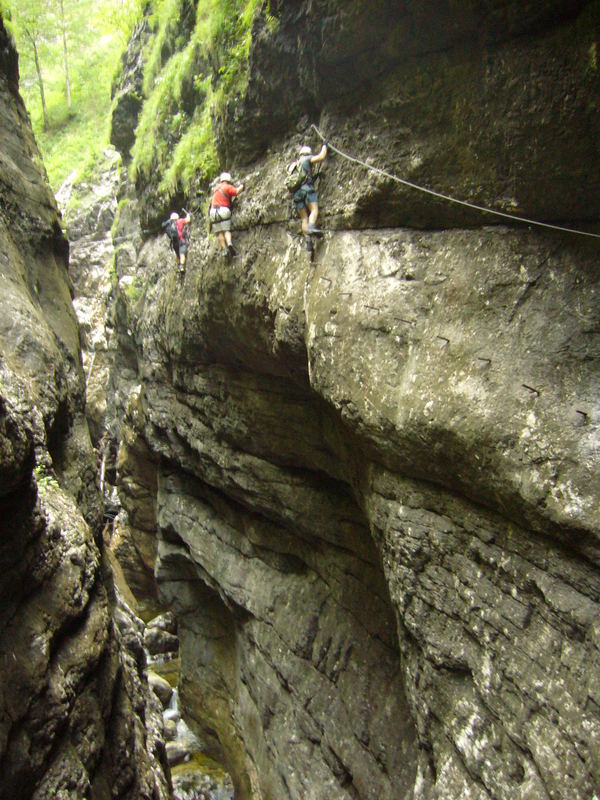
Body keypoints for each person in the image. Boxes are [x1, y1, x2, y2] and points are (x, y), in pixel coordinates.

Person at [292, 142, 327, 253]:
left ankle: (307, 240)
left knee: (304, 218)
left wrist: (315, 176)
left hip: (297, 194)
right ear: (307, 153)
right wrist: (324, 145)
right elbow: (321, 157)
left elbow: (303, 178)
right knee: (314, 210)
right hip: (307, 190)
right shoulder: (307, 159)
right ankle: (312, 226)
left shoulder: (295, 165)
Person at [209, 172, 244, 259]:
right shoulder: (227, 187)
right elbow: (236, 192)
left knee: (219, 232)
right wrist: (242, 186)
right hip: (224, 210)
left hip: (213, 212)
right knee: (226, 230)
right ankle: (229, 243)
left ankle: (224, 249)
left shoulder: (216, 188)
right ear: (228, 180)